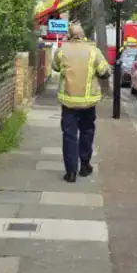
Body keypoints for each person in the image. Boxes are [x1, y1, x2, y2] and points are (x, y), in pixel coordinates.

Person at [51, 23, 111, 182]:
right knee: (87, 132)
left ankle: (71, 172)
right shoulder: (93, 51)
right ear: (83, 35)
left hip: (69, 102)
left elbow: (55, 67)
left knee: (69, 135)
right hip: (88, 103)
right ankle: (85, 165)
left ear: (69, 35)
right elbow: (105, 72)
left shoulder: (62, 50)